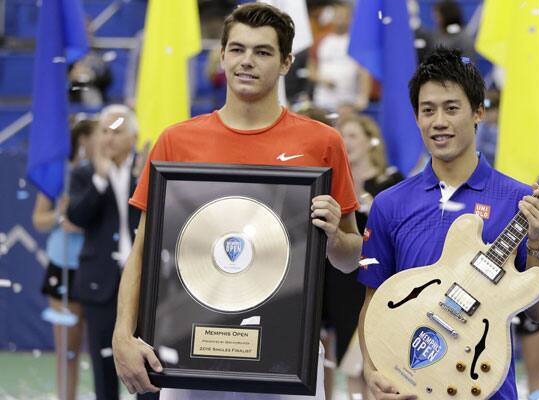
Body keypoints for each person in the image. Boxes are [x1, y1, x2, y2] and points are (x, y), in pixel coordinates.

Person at [111, 3, 362, 399]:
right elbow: (143, 251)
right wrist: (122, 334)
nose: (248, 61)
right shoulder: (176, 141)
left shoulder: (322, 142)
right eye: (238, 49)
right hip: (189, 351)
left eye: (263, 52)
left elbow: (349, 259)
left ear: (285, 63)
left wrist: (334, 237)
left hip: (286, 354)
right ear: (223, 55)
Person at [357, 48, 539, 400]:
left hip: (485, 389)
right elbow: (374, 302)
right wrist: (372, 370)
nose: (438, 121)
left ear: (478, 112)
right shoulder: (389, 204)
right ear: (416, 117)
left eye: (452, 108)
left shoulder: (518, 200)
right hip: (407, 392)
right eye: (427, 110)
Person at [321, 113, 402, 399]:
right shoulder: (330, 184)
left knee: (375, 360)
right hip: (339, 279)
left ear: (371, 141)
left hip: (378, 279)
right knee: (344, 360)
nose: (347, 142)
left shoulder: (392, 183)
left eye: (354, 135)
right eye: (342, 135)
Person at [66, 105, 141, 400]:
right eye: (104, 132)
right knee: (104, 369)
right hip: (100, 285)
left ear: (134, 136)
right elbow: (77, 216)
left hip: (143, 282)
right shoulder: (85, 174)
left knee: (148, 370)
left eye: (117, 131)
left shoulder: (148, 168)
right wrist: (99, 179)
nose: (109, 138)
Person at [32, 117, 97, 400]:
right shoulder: (56, 174)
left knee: (100, 348)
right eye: (100, 134)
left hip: (96, 265)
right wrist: (62, 215)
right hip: (64, 266)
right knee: (67, 349)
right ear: (82, 140)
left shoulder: (104, 173)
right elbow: (39, 220)